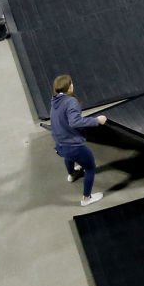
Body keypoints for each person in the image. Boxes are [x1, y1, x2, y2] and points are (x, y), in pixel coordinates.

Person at [49, 74, 108, 207]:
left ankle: (72, 174)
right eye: (71, 83)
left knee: (68, 157)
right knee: (90, 168)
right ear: (69, 87)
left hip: (60, 143)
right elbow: (75, 122)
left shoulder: (55, 100)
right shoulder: (71, 101)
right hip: (73, 146)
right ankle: (86, 199)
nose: (73, 85)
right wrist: (97, 120)